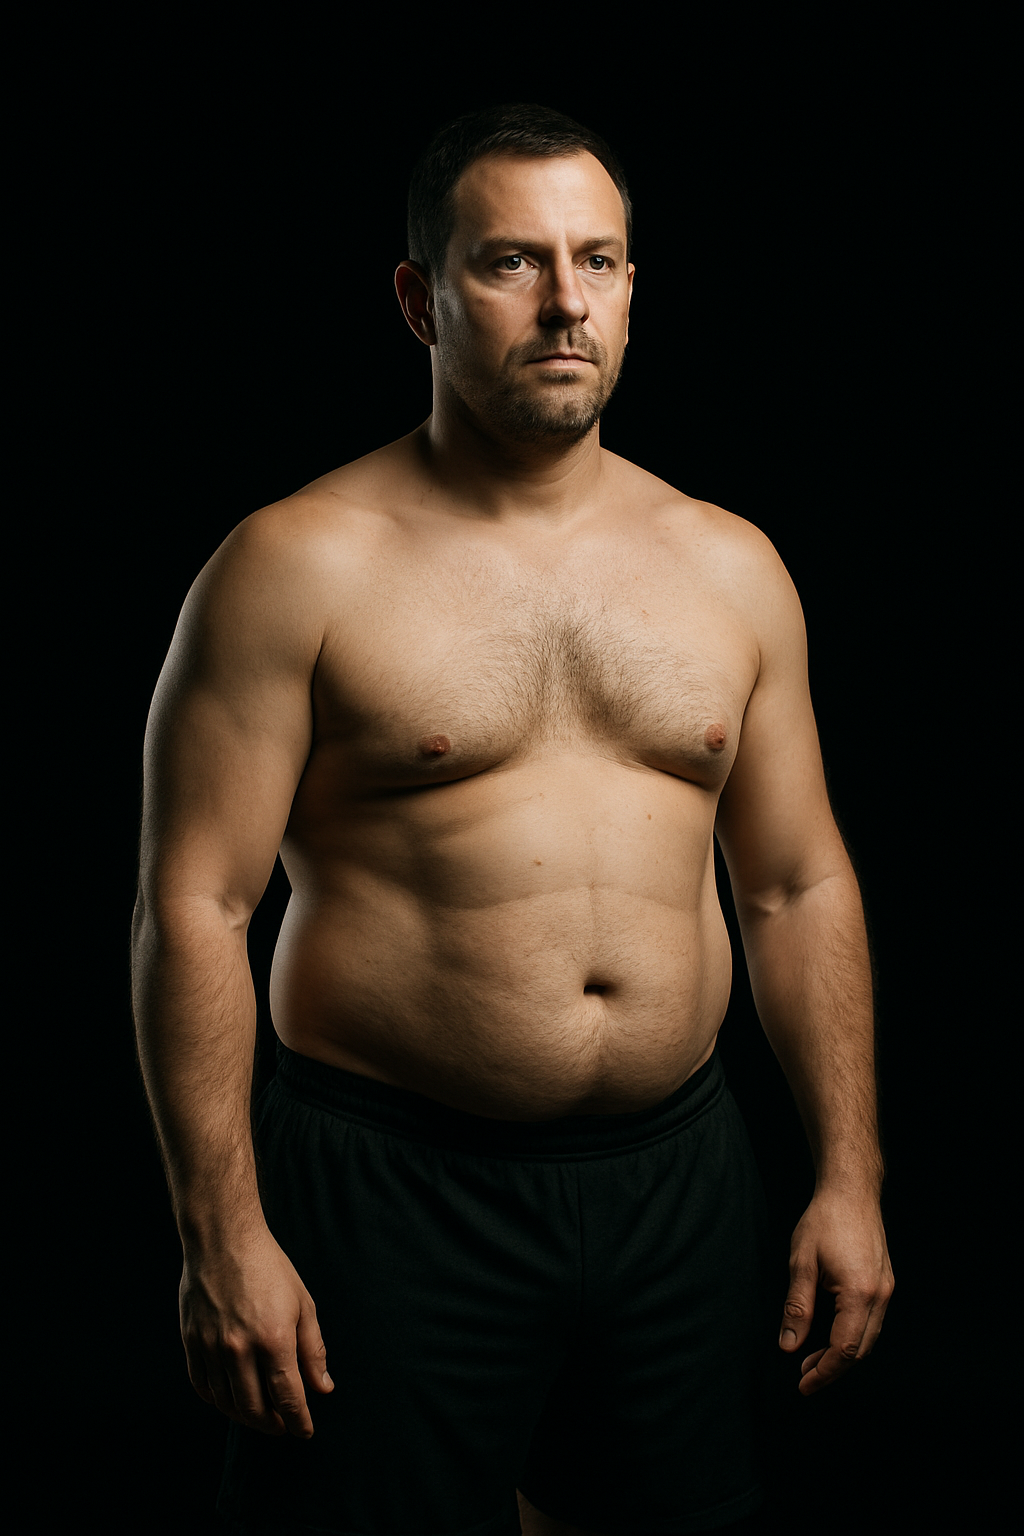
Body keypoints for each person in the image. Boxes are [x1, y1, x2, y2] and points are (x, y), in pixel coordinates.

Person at [132, 104, 893, 1536]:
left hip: (679, 1182)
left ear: (631, 289)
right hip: (391, 1189)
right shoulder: (294, 566)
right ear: (419, 297)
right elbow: (195, 908)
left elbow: (796, 886)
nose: (564, 303)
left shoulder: (731, 566)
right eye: (509, 262)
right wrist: (221, 1233)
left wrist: (850, 1176)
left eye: (595, 260)